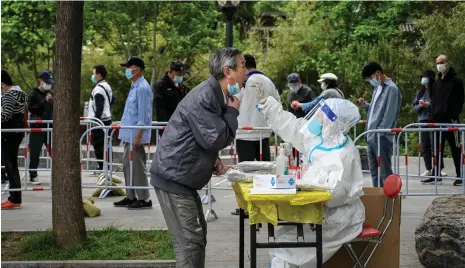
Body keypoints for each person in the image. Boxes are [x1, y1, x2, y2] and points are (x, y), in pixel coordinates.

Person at [150, 47, 245, 268]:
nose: (246, 72)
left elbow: (202, 137)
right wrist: (233, 111)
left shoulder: (216, 94)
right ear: (228, 71)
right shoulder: (206, 96)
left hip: (183, 177)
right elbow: (215, 139)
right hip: (174, 178)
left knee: (197, 238)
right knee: (189, 243)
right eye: (242, 66)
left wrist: (211, 161)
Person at [256, 96, 364, 268]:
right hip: (319, 211)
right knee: (282, 235)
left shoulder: (343, 153)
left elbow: (335, 195)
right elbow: (294, 129)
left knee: (287, 246)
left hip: (340, 216)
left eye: (322, 115)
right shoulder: (322, 139)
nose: (317, 117)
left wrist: (310, 176)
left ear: (333, 121)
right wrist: (271, 109)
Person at [231, 54, 281, 217]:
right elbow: (278, 105)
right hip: (263, 134)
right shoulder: (268, 82)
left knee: (245, 172)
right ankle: (264, 204)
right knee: (264, 171)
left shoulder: (243, 82)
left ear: (244, 66)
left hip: (244, 133)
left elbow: (232, 102)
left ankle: (246, 207)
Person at [113, 56, 153, 209]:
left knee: (137, 167)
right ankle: (131, 196)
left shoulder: (143, 88)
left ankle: (144, 198)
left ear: (138, 69)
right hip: (128, 135)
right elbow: (131, 112)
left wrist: (139, 135)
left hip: (135, 136)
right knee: (127, 166)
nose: (127, 70)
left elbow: (144, 115)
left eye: (129, 67)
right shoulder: (134, 86)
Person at [358, 62, 401, 187]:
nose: (370, 81)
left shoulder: (392, 89)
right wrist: (365, 106)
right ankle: (378, 200)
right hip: (372, 136)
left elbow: (389, 115)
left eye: (370, 78)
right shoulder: (378, 88)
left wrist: (378, 133)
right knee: (375, 173)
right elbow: (376, 110)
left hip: (381, 137)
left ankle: (389, 201)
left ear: (378, 73)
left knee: (385, 172)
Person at [426, 55, 465, 186]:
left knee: (455, 148)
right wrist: (433, 117)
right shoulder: (437, 82)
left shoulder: (457, 80)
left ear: (448, 63)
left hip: (451, 122)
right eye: (437, 63)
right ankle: (436, 174)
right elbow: (434, 101)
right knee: (437, 149)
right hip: (438, 121)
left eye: (441, 62)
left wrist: (453, 115)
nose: (439, 65)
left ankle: (460, 175)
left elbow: (460, 100)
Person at [413, 70, 447, 179]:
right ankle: (428, 168)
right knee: (425, 145)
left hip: (433, 120)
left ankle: (439, 168)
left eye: (426, 78)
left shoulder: (436, 91)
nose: (424, 80)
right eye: (423, 77)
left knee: (435, 145)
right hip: (422, 121)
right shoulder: (420, 92)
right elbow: (415, 107)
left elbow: (439, 106)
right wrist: (421, 106)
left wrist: (429, 105)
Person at [1, 70, 27, 210]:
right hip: (17, 132)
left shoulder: (7, 96)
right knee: (13, 165)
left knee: (10, 165)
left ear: (3, 83)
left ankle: (14, 198)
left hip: (8, 133)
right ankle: (15, 197)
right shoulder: (21, 93)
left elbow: (6, 116)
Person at [28, 71, 54, 185]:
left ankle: (59, 173)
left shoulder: (51, 93)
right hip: (37, 126)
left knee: (54, 151)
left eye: (50, 83)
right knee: (35, 152)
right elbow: (32, 109)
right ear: (41, 81)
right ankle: (33, 175)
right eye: (47, 82)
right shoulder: (33, 93)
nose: (48, 85)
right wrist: (45, 101)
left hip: (49, 126)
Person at [87, 65, 114, 174]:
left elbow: (99, 107)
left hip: (100, 121)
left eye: (94, 74)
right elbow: (113, 100)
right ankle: (108, 166)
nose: (93, 76)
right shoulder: (107, 86)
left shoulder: (98, 89)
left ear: (98, 75)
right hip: (107, 119)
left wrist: (96, 122)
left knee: (99, 145)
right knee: (107, 144)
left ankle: (102, 167)